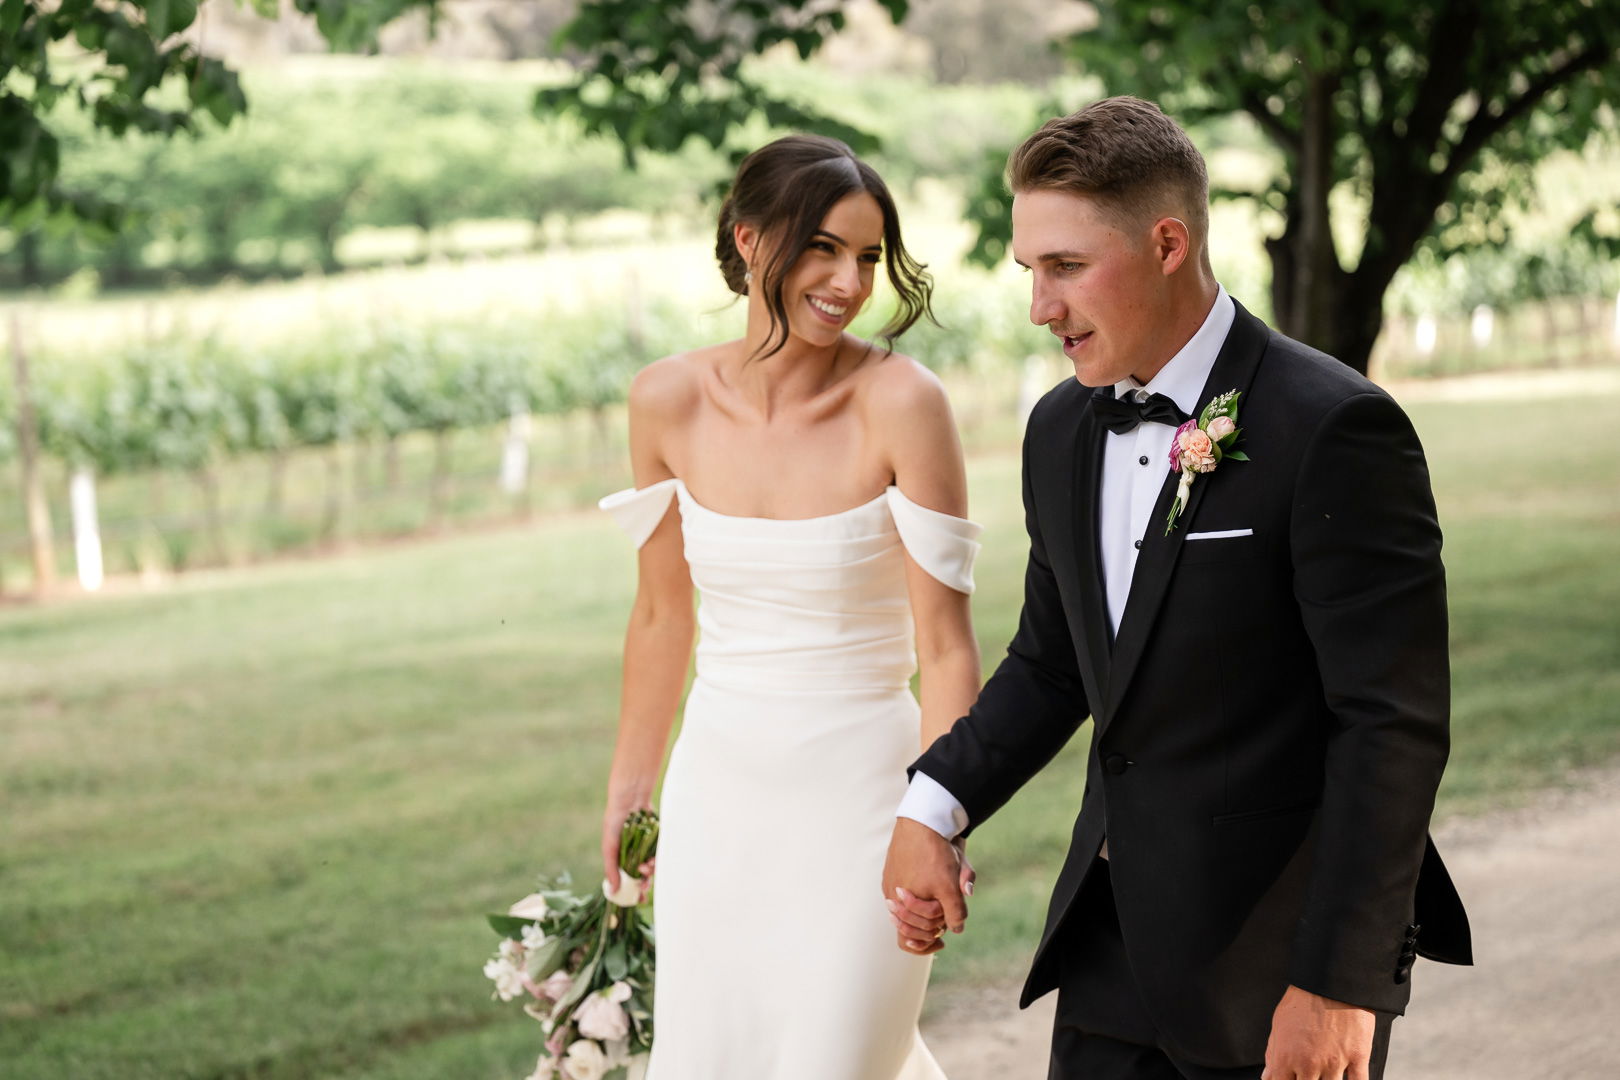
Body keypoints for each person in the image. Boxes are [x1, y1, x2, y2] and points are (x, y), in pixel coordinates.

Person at [881, 97, 1473, 1080]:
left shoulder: (1333, 429)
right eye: (1031, 271)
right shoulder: (1060, 431)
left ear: (1166, 243)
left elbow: (1390, 725)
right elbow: (1054, 662)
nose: (1040, 307)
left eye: (1066, 266)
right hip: (1109, 952)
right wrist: (933, 804)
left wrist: (1341, 984)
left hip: (1277, 965)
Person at [598, 134, 982, 1080]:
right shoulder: (665, 403)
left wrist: (940, 821)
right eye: (823, 248)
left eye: (866, 256)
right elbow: (660, 618)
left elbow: (944, 647)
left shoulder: (903, 403)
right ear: (751, 241)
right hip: (719, 800)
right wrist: (631, 796)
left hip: (868, 798)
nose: (849, 282)